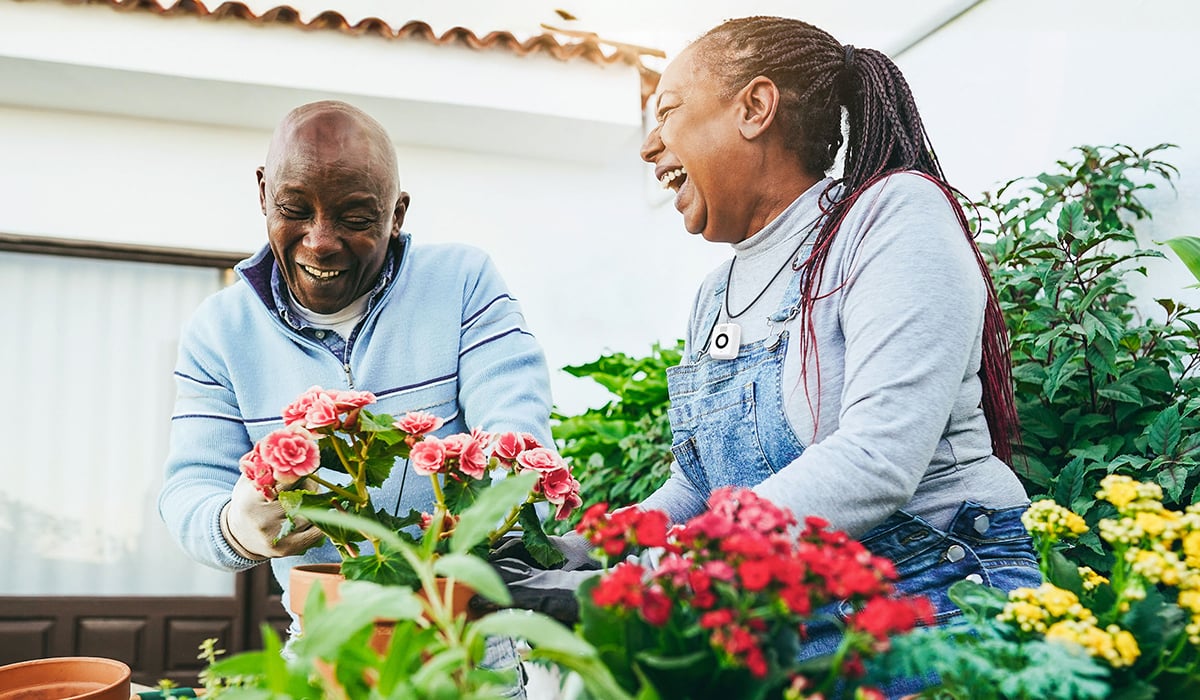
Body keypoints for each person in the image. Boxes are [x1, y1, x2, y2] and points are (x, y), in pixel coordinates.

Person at [631, 15, 1042, 696]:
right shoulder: (714, 296)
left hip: (938, 606)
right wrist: (589, 549)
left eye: (668, 111)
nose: (651, 145)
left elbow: (877, 457)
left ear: (755, 107)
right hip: (798, 630)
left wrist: (666, 569)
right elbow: (697, 489)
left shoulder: (890, 216)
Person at [159, 100, 551, 695]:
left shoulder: (464, 283)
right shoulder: (218, 331)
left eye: (355, 216)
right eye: (294, 209)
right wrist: (238, 525)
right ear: (263, 193)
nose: (320, 243)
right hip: (322, 645)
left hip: (466, 646)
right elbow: (188, 492)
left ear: (397, 214)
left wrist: (474, 520)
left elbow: (519, 444)